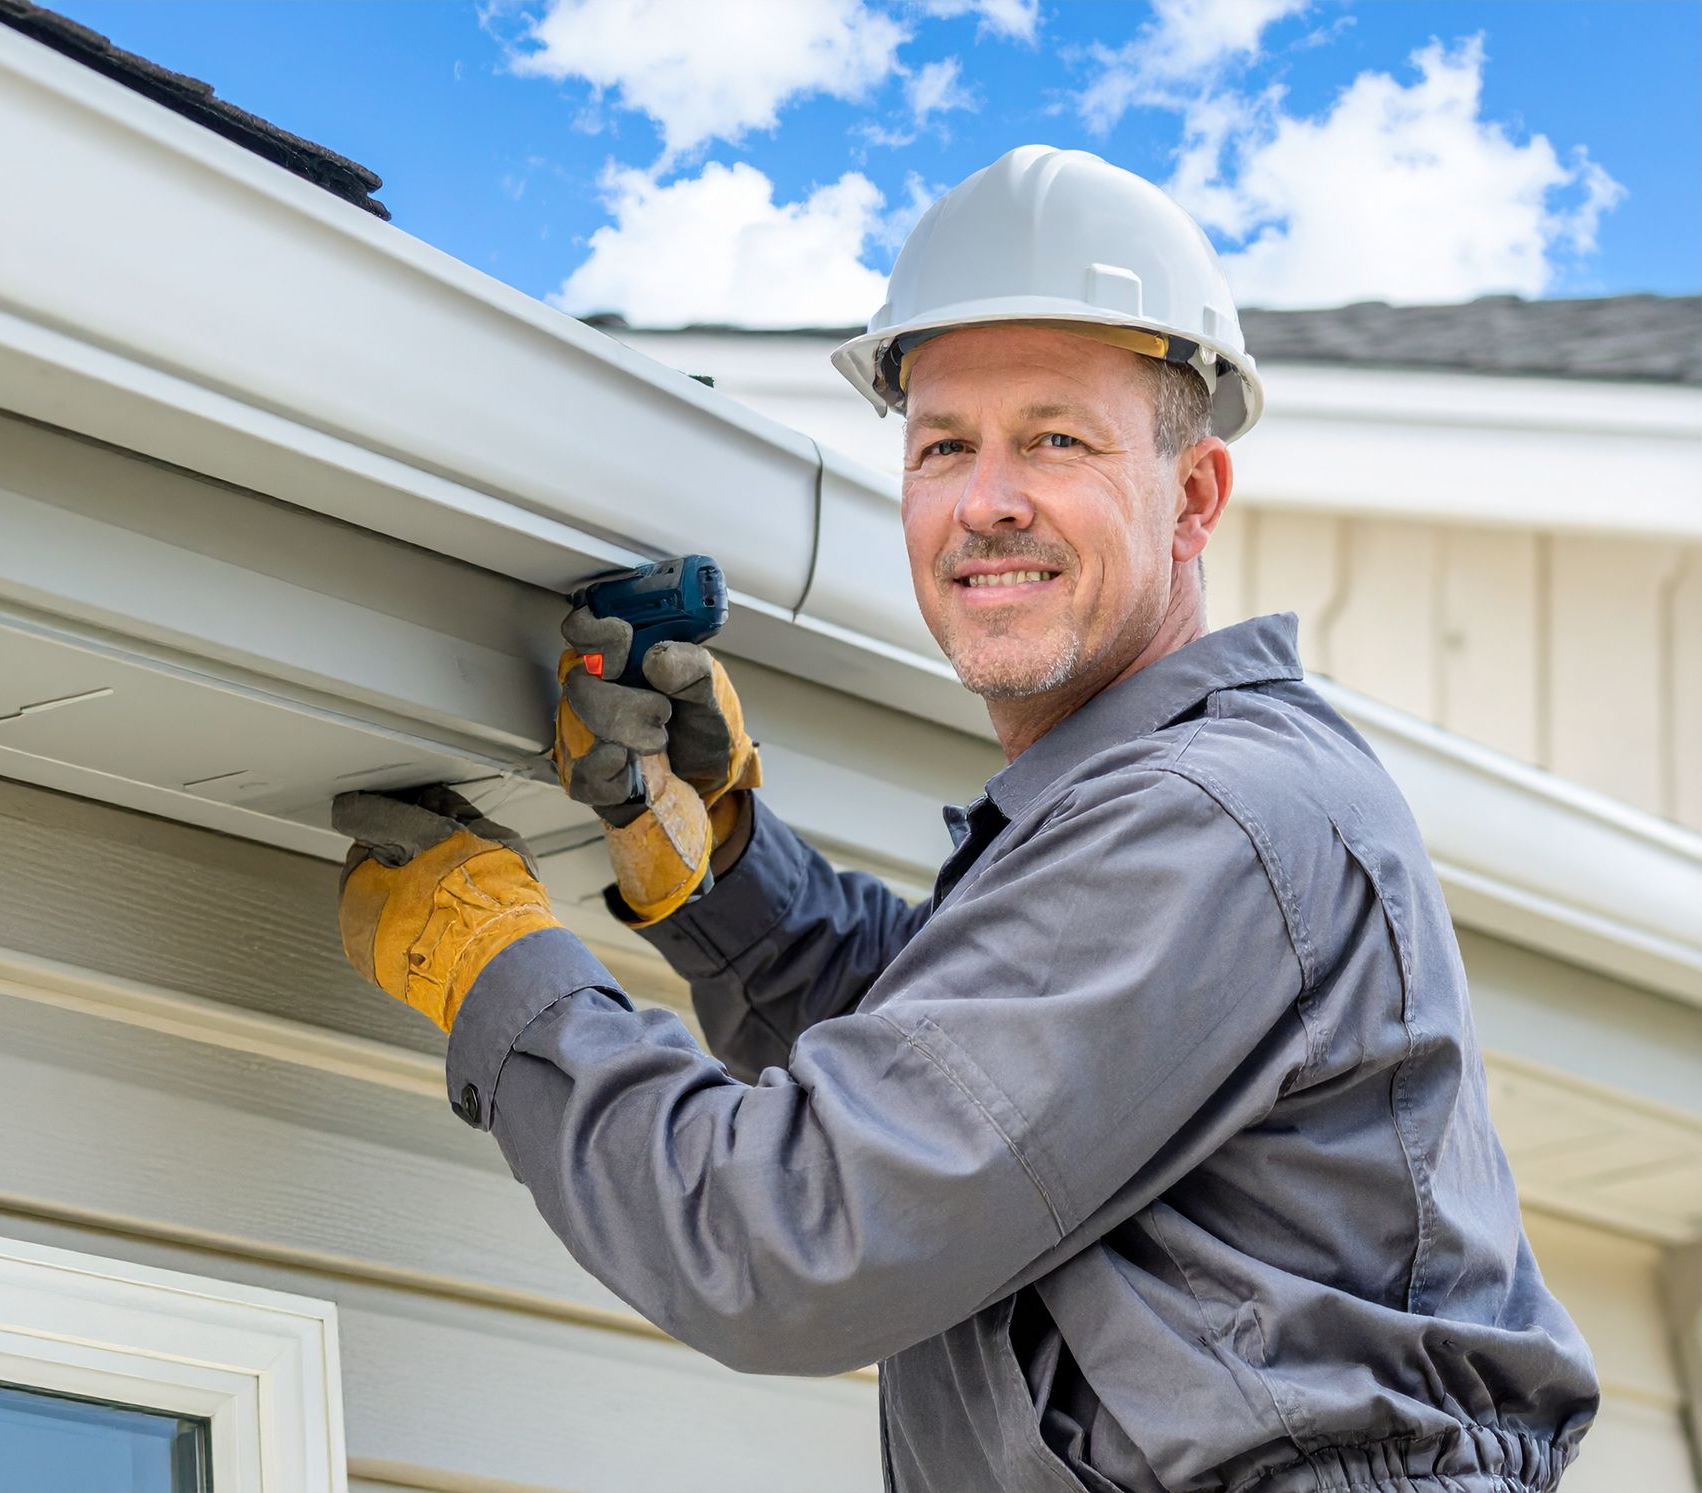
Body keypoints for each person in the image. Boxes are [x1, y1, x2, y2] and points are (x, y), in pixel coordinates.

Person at [330, 146, 1597, 1493]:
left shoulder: (1209, 816)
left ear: (1197, 496)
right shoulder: (1159, 809)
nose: (989, 498)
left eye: (1055, 437)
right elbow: (956, 1085)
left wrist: (498, 975)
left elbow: (795, 1230)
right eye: (945, 445)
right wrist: (723, 870)